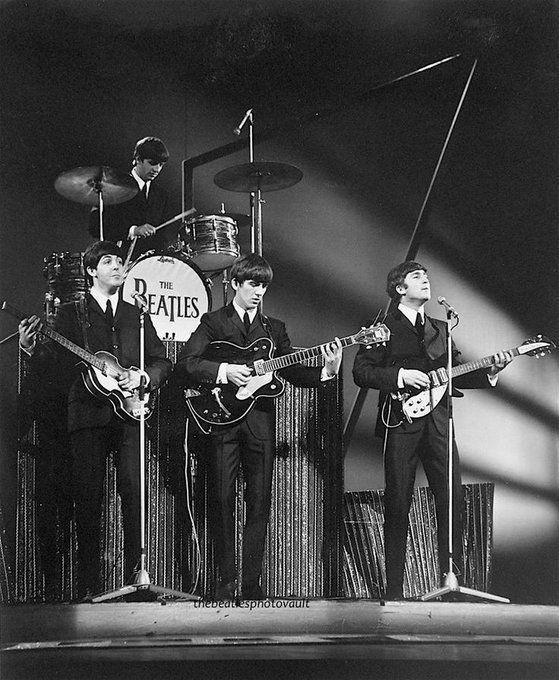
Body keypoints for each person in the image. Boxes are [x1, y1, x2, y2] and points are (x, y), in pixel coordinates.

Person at [173, 254, 343, 600]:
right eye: (252, 283)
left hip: (260, 424)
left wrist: (327, 370)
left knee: (260, 502)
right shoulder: (212, 322)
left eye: (263, 285)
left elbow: (293, 372)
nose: (258, 291)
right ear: (235, 283)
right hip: (221, 421)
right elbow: (188, 363)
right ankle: (225, 583)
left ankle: (251, 584)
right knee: (221, 500)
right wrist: (224, 372)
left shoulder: (273, 329)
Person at [19, 241, 172, 600]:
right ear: (91, 271)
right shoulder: (72, 314)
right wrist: (30, 348)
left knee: (135, 492)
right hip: (87, 416)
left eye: (120, 261)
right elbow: (53, 365)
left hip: (131, 414)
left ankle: (139, 576)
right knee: (87, 497)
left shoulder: (137, 313)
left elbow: (162, 361)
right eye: (109, 261)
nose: (118, 266)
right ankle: (90, 583)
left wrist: (143, 378)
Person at [352, 261, 512, 601]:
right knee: (398, 502)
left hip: (439, 422)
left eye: (427, 276)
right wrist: (400, 377)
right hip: (401, 422)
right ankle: (393, 589)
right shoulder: (382, 327)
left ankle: (449, 584)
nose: (425, 281)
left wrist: (491, 371)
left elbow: (458, 373)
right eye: (416, 277)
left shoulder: (441, 328)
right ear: (399, 289)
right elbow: (362, 372)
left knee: (450, 500)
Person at [89, 136, 175, 258]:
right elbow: (95, 227)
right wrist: (133, 230)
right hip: (120, 260)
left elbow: (162, 237)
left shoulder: (162, 195)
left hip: (151, 266)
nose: (157, 169)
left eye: (161, 165)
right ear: (138, 159)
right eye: (152, 163)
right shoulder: (114, 187)